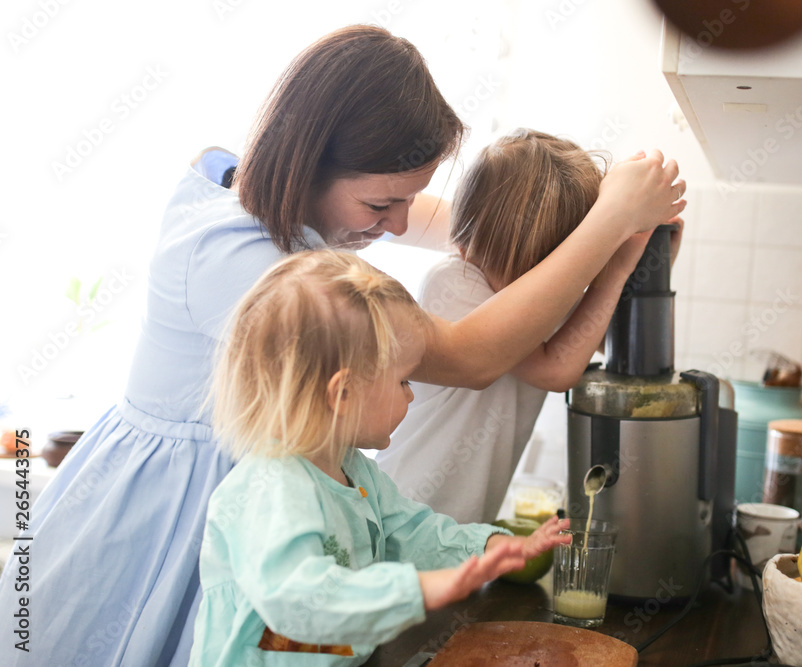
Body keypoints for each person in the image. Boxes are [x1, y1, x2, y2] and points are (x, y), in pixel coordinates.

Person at [0, 25, 685, 666]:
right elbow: (472, 355)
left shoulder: (251, 186)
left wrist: (521, 223)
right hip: (164, 507)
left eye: (405, 204)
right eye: (381, 205)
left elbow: (434, 223)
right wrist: (611, 222)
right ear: (314, 161)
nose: (394, 227)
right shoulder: (273, 275)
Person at [190, 249, 569, 665]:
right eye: (404, 379)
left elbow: (411, 532)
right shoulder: (270, 488)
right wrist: (420, 590)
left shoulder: (351, 467)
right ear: (344, 393)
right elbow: (301, 603)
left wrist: (491, 546)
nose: (411, 394)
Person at [377, 129, 682, 523]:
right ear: (469, 243)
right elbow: (555, 369)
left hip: (458, 528)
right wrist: (617, 265)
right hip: (403, 514)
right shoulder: (455, 282)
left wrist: (650, 263)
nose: (543, 278)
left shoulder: (540, 295)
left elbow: (607, 340)